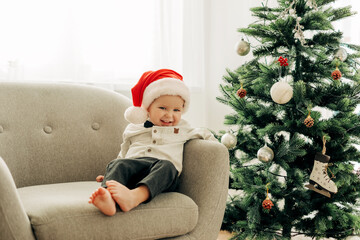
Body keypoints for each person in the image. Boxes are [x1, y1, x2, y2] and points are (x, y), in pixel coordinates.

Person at [88, 69, 216, 216]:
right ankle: (107, 198)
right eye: (162, 108)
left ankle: (135, 197)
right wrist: (112, 174)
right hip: (135, 170)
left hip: (161, 177)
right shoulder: (135, 128)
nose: (169, 115)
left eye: (176, 110)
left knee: (168, 166)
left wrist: (216, 143)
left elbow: (203, 133)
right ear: (147, 108)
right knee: (116, 164)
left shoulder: (184, 129)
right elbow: (124, 152)